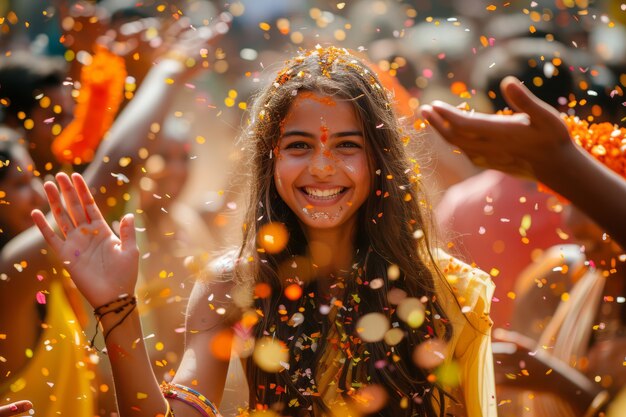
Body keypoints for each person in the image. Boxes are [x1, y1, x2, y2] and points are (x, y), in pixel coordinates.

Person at [31, 46, 497, 417]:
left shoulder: (446, 292)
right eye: (298, 146)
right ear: (270, 161)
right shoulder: (230, 285)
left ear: (380, 162)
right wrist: (117, 308)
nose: (321, 167)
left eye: (347, 146)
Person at [0, 15, 230, 415]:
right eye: (19, 185)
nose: (40, 190)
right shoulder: (13, 270)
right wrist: (170, 70)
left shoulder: (33, 266)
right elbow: (111, 176)